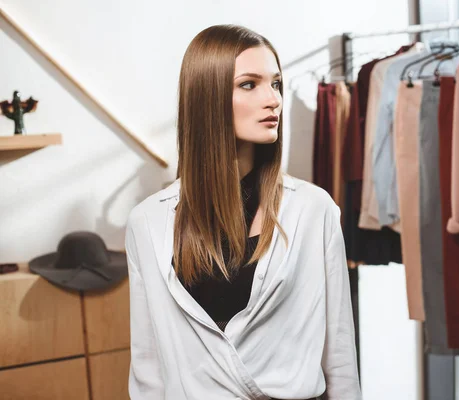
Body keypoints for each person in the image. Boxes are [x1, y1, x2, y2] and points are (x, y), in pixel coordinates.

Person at [124, 24, 361, 400]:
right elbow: (148, 368)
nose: (274, 100)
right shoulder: (148, 223)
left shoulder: (314, 211)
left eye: (276, 84)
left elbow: (340, 356)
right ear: (207, 97)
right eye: (250, 84)